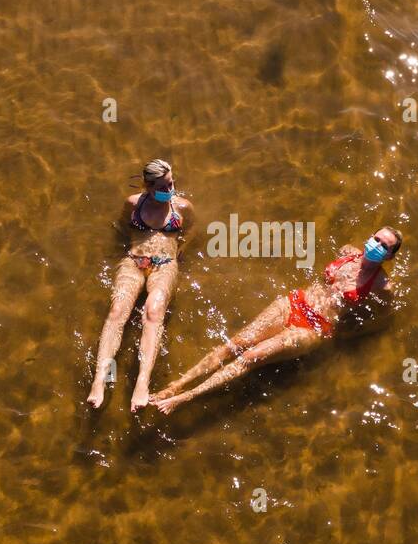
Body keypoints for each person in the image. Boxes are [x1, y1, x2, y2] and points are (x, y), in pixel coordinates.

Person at [151, 227, 401, 415]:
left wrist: (348, 333)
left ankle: (186, 397)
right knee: (235, 344)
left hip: (314, 327)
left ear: (389, 256)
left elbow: (382, 317)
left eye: (384, 246)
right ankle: (176, 385)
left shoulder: (383, 286)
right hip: (293, 303)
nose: (376, 245)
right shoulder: (348, 252)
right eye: (376, 239)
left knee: (250, 357)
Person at [86, 158, 194, 411]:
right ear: (147, 185)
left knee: (153, 313)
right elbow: (123, 230)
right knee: (116, 312)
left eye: (172, 184)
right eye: (163, 187)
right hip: (135, 261)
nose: (170, 191)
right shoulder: (133, 204)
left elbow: (192, 232)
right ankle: (100, 380)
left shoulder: (182, 207)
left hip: (165, 263)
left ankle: (142, 383)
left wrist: (180, 251)